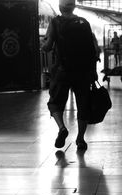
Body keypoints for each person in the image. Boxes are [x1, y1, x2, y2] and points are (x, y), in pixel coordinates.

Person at [42, 0, 97, 151]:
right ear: (74, 7)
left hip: (62, 70)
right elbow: (92, 49)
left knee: (55, 102)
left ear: (60, 7)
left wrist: (43, 45)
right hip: (83, 71)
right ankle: (80, 139)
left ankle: (62, 128)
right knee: (83, 104)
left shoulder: (55, 22)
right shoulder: (84, 22)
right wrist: (93, 71)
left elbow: (47, 46)